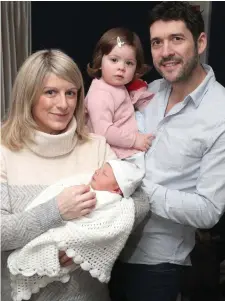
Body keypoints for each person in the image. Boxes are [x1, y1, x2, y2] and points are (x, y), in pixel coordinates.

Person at [1, 49, 150, 301]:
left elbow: (140, 203)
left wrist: (86, 243)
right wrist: (55, 211)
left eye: (71, 92)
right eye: (51, 92)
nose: (63, 104)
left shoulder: (96, 146)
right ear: (28, 96)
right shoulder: (4, 150)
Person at [108, 2, 225, 301]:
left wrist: (135, 185)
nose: (165, 51)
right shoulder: (149, 91)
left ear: (200, 42)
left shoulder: (220, 113)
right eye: (157, 42)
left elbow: (208, 211)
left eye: (176, 39)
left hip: (156, 265)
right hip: (107, 244)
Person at [8, 160, 144, 301]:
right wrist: (55, 211)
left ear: (116, 190)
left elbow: (131, 208)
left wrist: (81, 246)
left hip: (86, 293)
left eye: (103, 173)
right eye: (99, 168)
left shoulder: (110, 200)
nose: (96, 171)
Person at [85, 27, 155, 160]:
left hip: (122, 151)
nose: (121, 68)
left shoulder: (117, 87)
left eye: (129, 63)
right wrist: (134, 140)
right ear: (100, 61)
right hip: (111, 156)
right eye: (114, 60)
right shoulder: (100, 93)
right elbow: (103, 131)